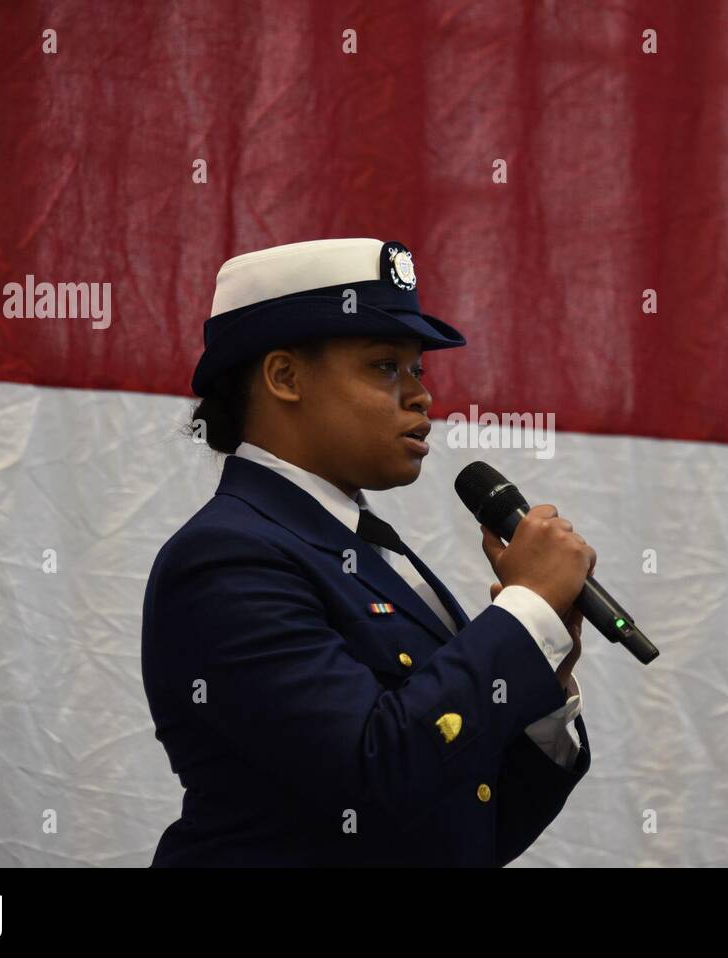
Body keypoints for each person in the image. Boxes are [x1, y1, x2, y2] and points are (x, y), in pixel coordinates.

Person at [141, 237, 595, 866]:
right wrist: (524, 614)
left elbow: (465, 822)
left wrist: (545, 672)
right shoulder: (226, 557)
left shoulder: (367, 551)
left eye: (419, 370)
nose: (420, 397)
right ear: (284, 377)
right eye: (385, 366)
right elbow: (370, 776)